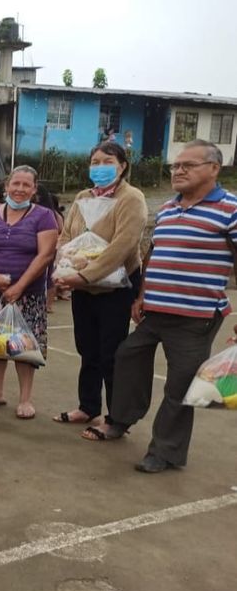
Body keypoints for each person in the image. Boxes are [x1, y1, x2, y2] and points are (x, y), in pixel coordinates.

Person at [84, 141, 235, 473]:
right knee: (127, 357)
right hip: (155, 311)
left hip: (196, 317)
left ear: (214, 168)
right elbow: (153, 256)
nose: (178, 171)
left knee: (180, 384)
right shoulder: (167, 208)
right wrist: (141, 296)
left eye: (187, 165)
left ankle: (165, 452)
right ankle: (121, 420)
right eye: (175, 166)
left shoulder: (230, 208)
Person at [52, 142, 147, 427]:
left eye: (107, 162)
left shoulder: (131, 198)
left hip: (116, 286)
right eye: (95, 162)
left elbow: (123, 245)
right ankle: (88, 406)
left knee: (112, 353)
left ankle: (117, 418)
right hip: (82, 285)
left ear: (122, 166)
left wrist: (84, 274)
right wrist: (65, 265)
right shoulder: (83, 197)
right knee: (87, 349)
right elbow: (66, 236)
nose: (100, 167)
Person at [0, 166, 59, 419]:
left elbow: (45, 255)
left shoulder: (44, 216)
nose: (20, 189)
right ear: (7, 186)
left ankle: (25, 399)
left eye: (26, 185)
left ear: (34, 189)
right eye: (15, 183)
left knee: (24, 346)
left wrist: (19, 287)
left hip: (28, 295)